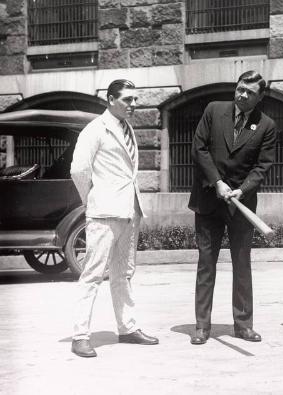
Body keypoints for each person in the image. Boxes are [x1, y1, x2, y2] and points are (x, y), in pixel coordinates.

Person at [70, 79, 158, 357]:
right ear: (110, 99)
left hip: (129, 211)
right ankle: (80, 335)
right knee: (93, 274)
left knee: (124, 273)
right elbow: (78, 170)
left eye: (135, 99)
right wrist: (92, 199)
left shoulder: (126, 127)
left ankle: (127, 328)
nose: (133, 105)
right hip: (104, 213)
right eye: (127, 100)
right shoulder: (95, 129)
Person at [188, 70, 276, 345]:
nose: (242, 95)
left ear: (260, 97)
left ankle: (243, 325)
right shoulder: (214, 110)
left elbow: (262, 166)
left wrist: (243, 188)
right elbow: (198, 148)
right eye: (240, 89)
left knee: (242, 264)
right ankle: (202, 326)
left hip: (241, 205)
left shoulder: (266, 125)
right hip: (208, 201)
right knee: (206, 265)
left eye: (250, 92)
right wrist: (217, 182)